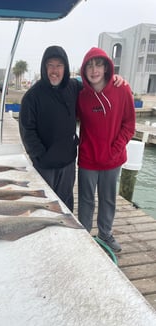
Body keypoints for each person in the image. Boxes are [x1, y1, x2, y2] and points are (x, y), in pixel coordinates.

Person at [19, 45, 124, 212]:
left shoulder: (73, 86)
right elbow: (27, 131)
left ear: (65, 68)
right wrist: (41, 156)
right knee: (43, 205)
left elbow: (95, 82)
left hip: (68, 162)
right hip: (45, 164)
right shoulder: (32, 96)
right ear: (44, 67)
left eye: (59, 65)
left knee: (66, 203)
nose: (54, 70)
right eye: (50, 65)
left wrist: (114, 78)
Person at [77, 47, 135, 252]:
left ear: (106, 67)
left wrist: (115, 149)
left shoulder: (122, 89)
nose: (94, 70)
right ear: (84, 70)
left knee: (108, 199)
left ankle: (105, 234)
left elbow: (129, 125)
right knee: (85, 200)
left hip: (113, 159)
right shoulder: (81, 95)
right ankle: (83, 235)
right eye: (89, 66)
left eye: (98, 64)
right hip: (87, 159)